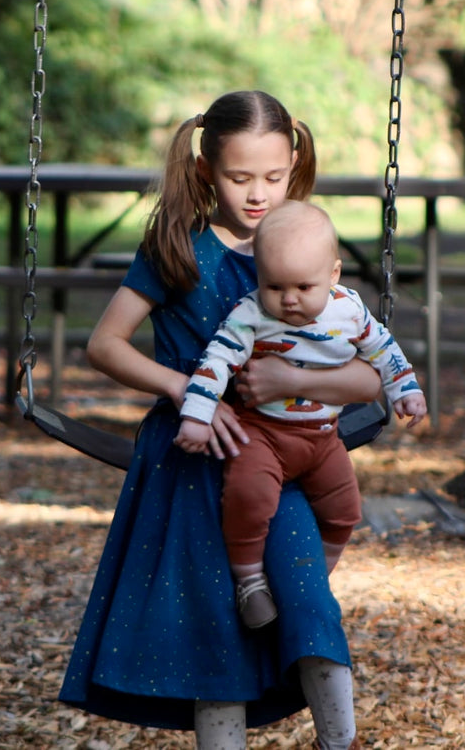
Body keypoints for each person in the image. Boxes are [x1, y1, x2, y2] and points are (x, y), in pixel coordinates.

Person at [63, 91, 381, 750]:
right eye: (240, 178)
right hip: (192, 469)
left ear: (294, 162)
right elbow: (104, 344)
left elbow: (370, 375)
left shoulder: (303, 257)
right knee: (215, 637)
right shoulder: (177, 249)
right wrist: (181, 387)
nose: (257, 193)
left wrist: (297, 381)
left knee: (310, 608)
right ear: (207, 170)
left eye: (273, 176)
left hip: (284, 462)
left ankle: (341, 740)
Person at [177, 200, 426, 630]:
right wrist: (197, 416)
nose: (288, 300)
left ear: (333, 275)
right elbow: (215, 361)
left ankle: (318, 576)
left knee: (346, 510)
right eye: (275, 286)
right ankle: (250, 580)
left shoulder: (348, 310)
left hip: (323, 437)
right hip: (263, 433)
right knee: (247, 498)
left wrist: (405, 388)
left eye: (303, 288)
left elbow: (383, 350)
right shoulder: (251, 314)